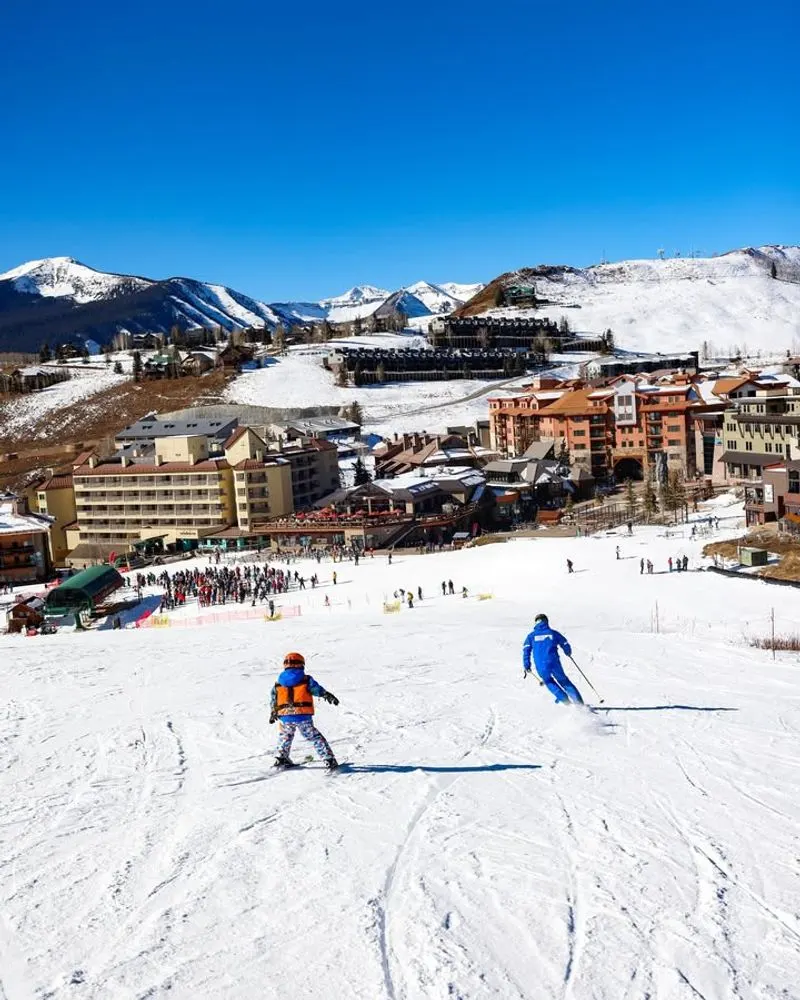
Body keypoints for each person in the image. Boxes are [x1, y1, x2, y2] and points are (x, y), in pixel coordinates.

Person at [269, 651, 339, 770]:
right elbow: (316, 689)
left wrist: (273, 712)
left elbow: (274, 698)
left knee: (285, 735)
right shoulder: (305, 679)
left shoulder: (278, 683)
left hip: (285, 716)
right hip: (302, 715)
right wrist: (326, 695)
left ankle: (281, 757)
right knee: (315, 737)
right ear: (301, 664)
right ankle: (328, 759)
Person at [522, 613, 583, 705]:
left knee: (548, 681)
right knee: (563, 680)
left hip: (541, 665)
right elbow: (564, 643)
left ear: (535, 623)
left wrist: (527, 664)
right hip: (554, 662)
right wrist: (567, 652)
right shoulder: (553, 633)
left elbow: (526, 650)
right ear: (546, 621)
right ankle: (579, 703)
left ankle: (564, 700)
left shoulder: (531, 636)